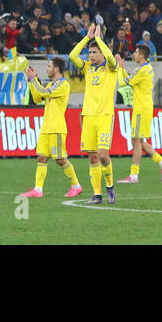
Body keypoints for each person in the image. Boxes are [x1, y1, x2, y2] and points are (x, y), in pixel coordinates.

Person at [68, 23, 119, 204]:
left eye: (95, 52)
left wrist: (98, 39)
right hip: (88, 116)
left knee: (103, 155)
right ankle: (97, 195)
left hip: (105, 116)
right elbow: (72, 56)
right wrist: (87, 38)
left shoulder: (112, 68)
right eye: (90, 53)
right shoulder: (88, 68)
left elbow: (111, 58)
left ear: (102, 53)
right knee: (92, 156)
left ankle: (110, 186)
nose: (91, 56)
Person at [19, 57, 82, 199]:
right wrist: (32, 81)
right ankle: (38, 189)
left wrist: (34, 79)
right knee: (41, 158)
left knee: (60, 159)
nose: (47, 68)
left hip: (56, 128)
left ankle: (76, 185)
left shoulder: (63, 85)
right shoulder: (50, 85)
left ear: (56, 69)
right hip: (46, 127)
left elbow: (45, 93)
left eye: (49, 66)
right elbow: (37, 98)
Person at [116, 45, 162, 184]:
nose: (133, 54)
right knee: (140, 141)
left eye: (136, 52)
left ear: (142, 55)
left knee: (135, 141)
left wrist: (118, 67)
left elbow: (122, 83)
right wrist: (122, 68)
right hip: (144, 108)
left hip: (141, 109)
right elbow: (129, 80)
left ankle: (134, 175)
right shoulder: (144, 68)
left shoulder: (142, 70)